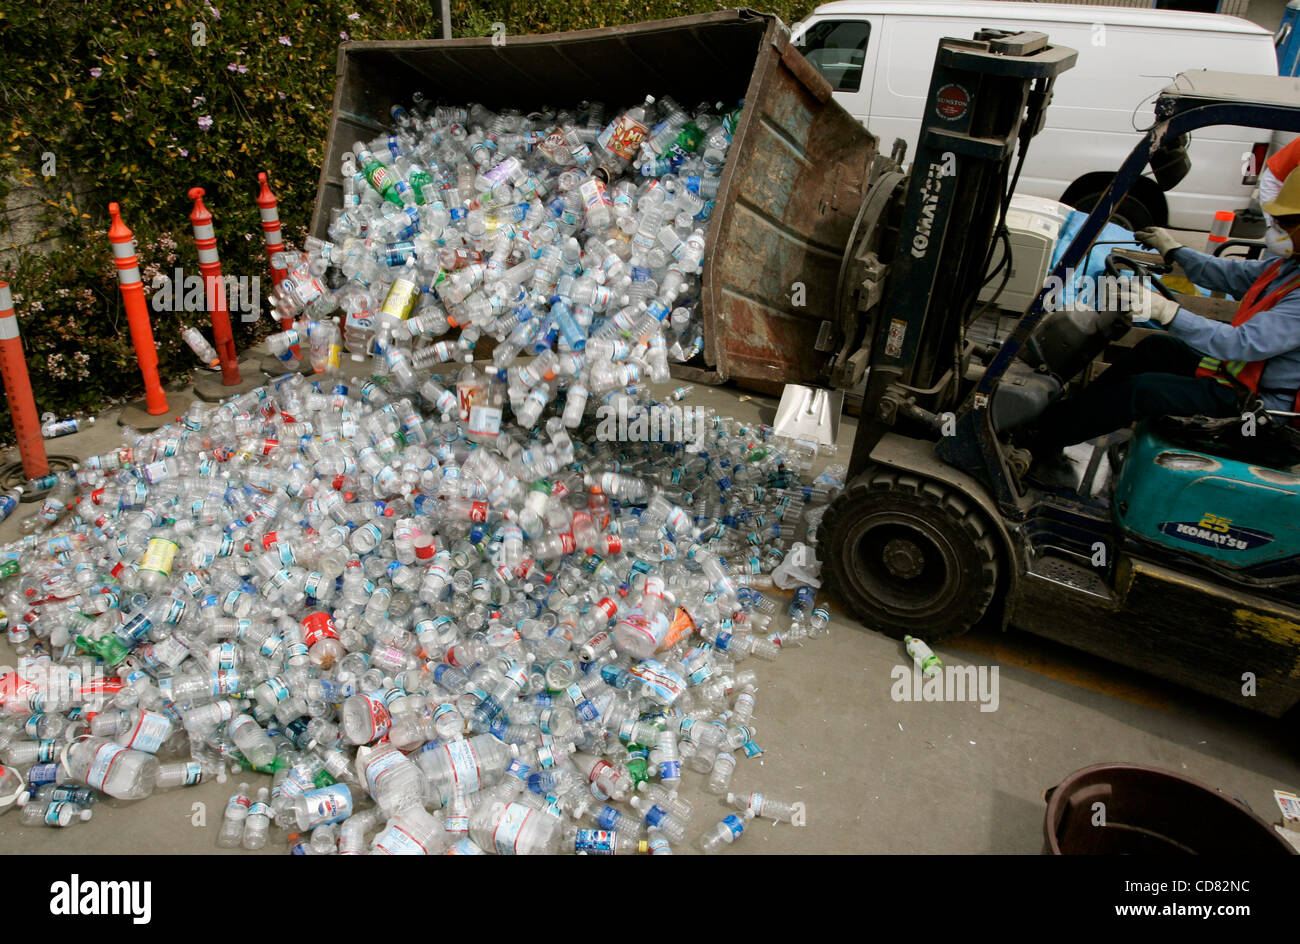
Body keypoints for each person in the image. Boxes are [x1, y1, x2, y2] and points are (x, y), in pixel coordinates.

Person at [1026, 171, 1300, 457]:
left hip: (1257, 416)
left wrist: (1168, 312)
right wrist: (1174, 250)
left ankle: (1038, 440)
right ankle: (1058, 420)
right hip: (1236, 382)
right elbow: (1231, 273)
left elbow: (1240, 343)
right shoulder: (1290, 267)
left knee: (1143, 390)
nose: (1277, 228)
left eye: (1288, 222)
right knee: (1157, 348)